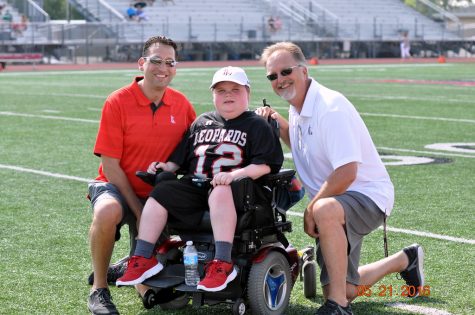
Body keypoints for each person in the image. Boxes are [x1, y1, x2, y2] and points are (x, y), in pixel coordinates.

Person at [256, 42, 425, 315]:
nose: (279, 80)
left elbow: (347, 172)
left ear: (304, 70)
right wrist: (274, 120)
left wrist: (312, 208)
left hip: (367, 195)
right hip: (337, 202)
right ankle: (405, 260)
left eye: (285, 71)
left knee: (322, 210)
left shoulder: (329, 107)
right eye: (272, 76)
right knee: (345, 286)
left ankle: (338, 308)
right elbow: (301, 143)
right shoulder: (297, 105)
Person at [116, 66, 284, 292]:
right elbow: (180, 160)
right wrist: (165, 167)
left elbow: (265, 165)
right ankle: (144, 257)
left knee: (221, 188)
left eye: (235, 89)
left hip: (240, 193)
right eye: (221, 90)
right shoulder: (201, 121)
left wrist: (234, 175)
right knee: (161, 193)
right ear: (213, 94)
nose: (228, 95)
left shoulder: (256, 124)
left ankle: (223, 262)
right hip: (197, 187)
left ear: (248, 93)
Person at [87, 35, 196, 315]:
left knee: (170, 300)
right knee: (107, 212)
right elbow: (111, 167)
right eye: (156, 60)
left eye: (170, 62)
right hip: (116, 187)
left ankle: (128, 267)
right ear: (142, 64)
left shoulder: (182, 105)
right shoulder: (118, 101)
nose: (163, 68)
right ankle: (99, 289)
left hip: (159, 194)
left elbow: (195, 150)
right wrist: (138, 210)